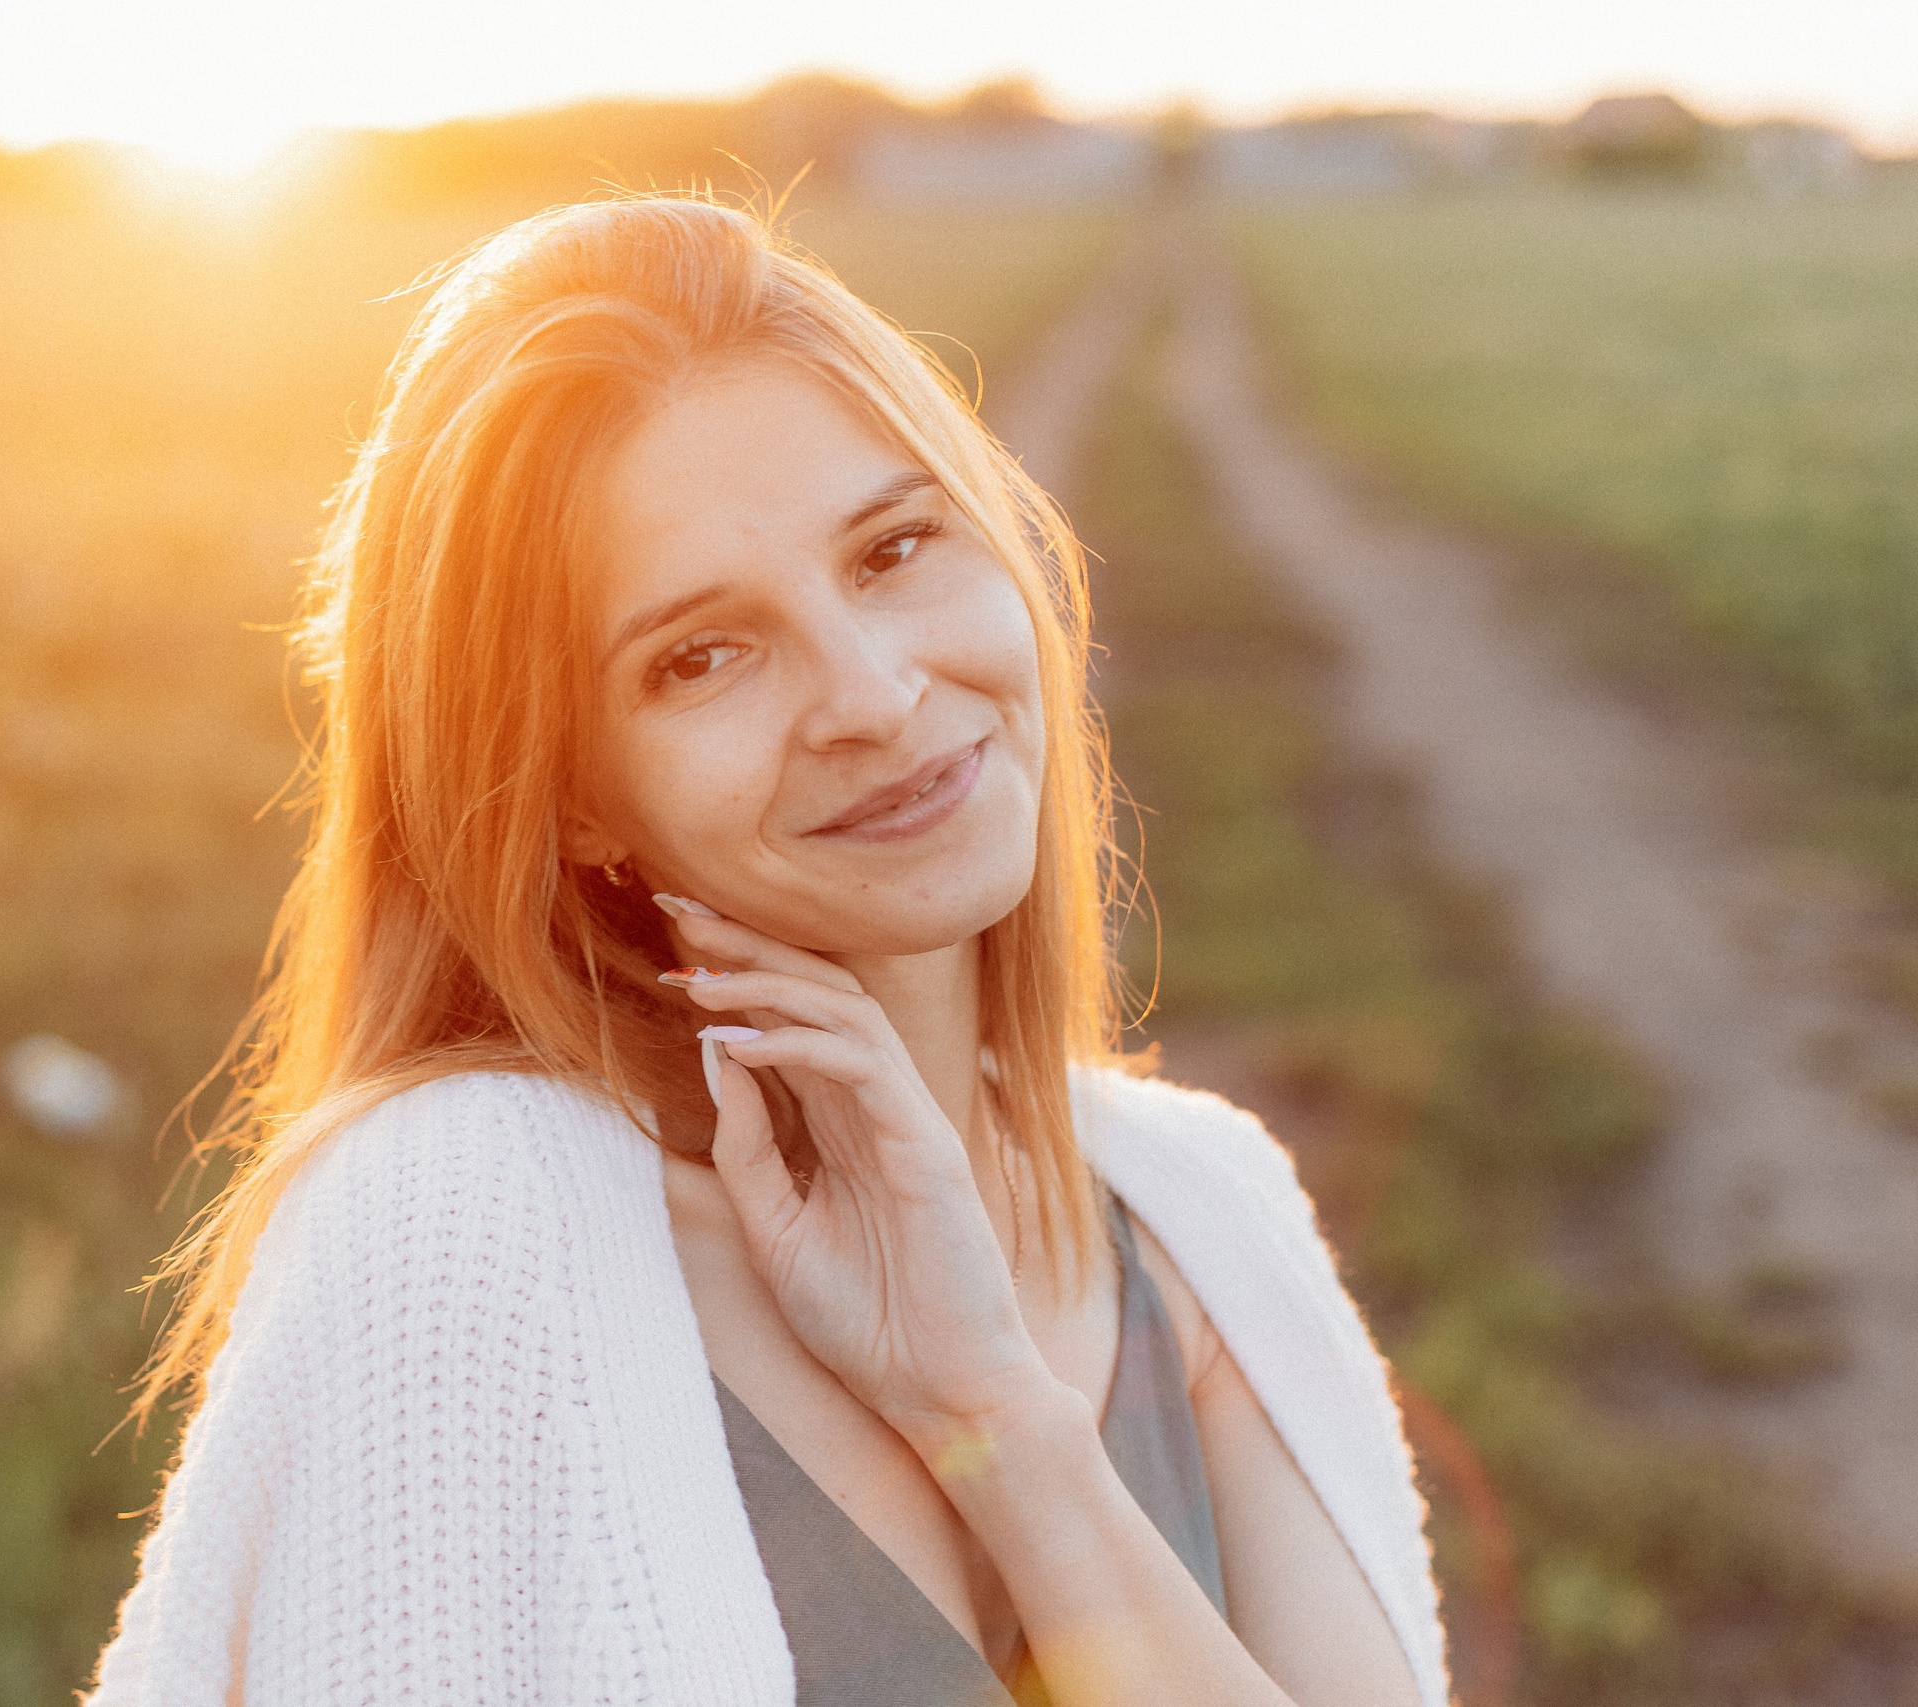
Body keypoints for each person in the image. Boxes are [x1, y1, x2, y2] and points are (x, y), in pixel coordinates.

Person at [87, 195, 1445, 1706]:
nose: (871, 690)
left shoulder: (1203, 1209)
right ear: (576, 800)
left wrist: (996, 1417)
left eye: (895, 547)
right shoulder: (466, 1215)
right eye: (701, 655)